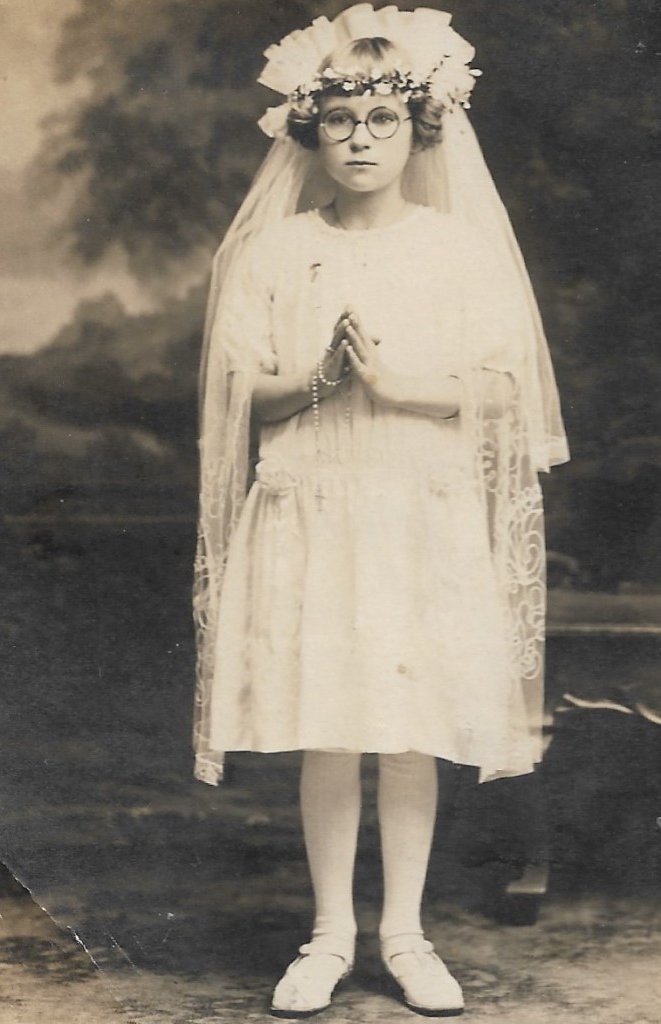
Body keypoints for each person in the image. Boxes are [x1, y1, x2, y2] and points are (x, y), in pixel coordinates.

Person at [192, 4, 569, 1017]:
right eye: (340, 120)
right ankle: (329, 933)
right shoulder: (273, 253)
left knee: (407, 727)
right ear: (310, 132)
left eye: (381, 120)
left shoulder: (456, 250)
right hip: (316, 506)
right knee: (331, 724)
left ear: (419, 130)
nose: (360, 139)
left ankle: (403, 932)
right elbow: (237, 391)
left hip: (415, 507)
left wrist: (397, 387)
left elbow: (502, 388)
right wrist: (313, 381)